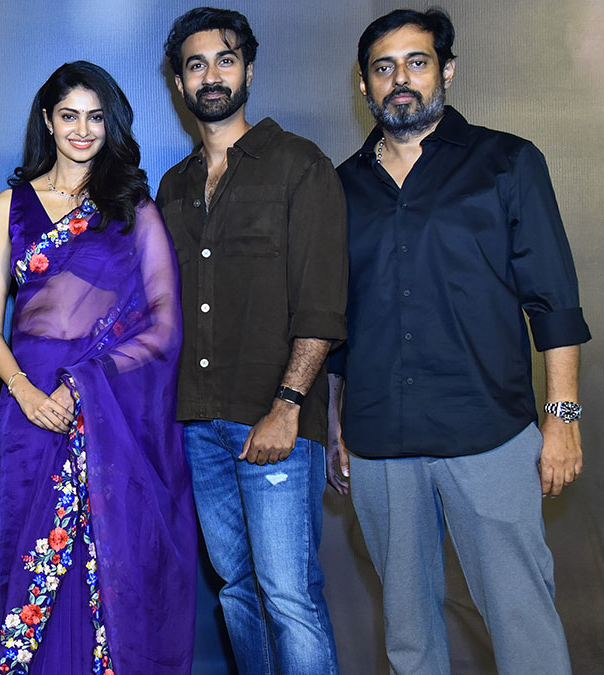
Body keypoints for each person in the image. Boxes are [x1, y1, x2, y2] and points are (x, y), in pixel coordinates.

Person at [326, 9, 590, 674]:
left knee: (523, 622)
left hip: (489, 432)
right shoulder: (341, 187)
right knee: (410, 637)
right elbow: (338, 321)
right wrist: (336, 423)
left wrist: (562, 417)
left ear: (446, 70)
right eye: (383, 68)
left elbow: (554, 302)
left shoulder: (508, 162)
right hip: (381, 441)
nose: (400, 79)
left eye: (416, 62)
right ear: (364, 84)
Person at [0, 61, 197, 675]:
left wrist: (83, 386)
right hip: (30, 412)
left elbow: (164, 324)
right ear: (47, 121)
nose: (82, 130)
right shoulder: (9, 206)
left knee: (108, 563)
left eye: (95, 118)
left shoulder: (131, 208)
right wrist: (25, 393)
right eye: (69, 116)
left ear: (111, 124)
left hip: (109, 410)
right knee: (30, 560)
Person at [157, 8, 347, 674]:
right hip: (198, 424)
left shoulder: (300, 165)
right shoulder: (173, 186)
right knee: (238, 590)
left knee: (288, 594)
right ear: (179, 82)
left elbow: (322, 302)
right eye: (196, 64)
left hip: (274, 419)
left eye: (226, 59)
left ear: (250, 71)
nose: (212, 75)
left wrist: (288, 404)